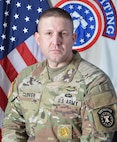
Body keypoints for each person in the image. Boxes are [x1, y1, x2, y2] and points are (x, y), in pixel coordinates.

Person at [2, 7, 117, 142]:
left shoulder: (95, 82)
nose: (56, 41)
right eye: (49, 33)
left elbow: (98, 139)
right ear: (38, 39)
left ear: (73, 38)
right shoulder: (25, 77)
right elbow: (12, 127)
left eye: (63, 33)